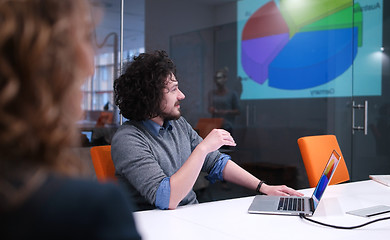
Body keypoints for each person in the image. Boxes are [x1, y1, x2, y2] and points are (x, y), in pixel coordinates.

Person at [0, 1, 141, 239]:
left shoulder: (180, 128)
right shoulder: (90, 211)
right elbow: (164, 193)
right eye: (84, 38)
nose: (91, 65)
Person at [112, 50, 303, 211]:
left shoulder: (177, 124)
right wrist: (203, 149)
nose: (182, 95)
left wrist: (263, 187)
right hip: (156, 226)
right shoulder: (128, 139)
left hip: (188, 217)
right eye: (173, 90)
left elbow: (216, 162)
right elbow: (166, 199)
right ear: (149, 96)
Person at [208, 67, 240, 133]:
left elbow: (238, 111)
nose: (217, 80)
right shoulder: (211, 93)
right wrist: (212, 109)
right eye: (216, 78)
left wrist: (226, 112)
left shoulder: (232, 94)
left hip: (228, 125)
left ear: (225, 79)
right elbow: (210, 107)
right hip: (215, 125)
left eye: (219, 78)